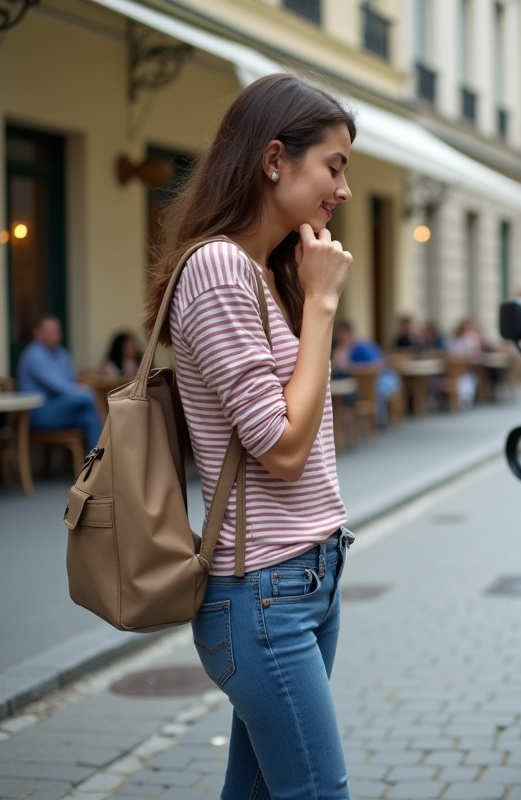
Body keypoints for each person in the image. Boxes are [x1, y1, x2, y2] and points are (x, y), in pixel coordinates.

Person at [143, 73, 355, 797]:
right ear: (273, 159)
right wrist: (322, 306)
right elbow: (284, 451)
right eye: (334, 165)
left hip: (307, 578)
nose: (343, 190)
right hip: (265, 593)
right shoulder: (219, 269)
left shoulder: (264, 275)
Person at [16, 316, 103, 450]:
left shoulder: (61, 353)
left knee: (89, 417)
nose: (54, 334)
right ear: (37, 333)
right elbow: (61, 387)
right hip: (39, 414)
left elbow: (72, 380)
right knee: (88, 396)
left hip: (61, 407)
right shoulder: (34, 354)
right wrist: (83, 390)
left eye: (57, 330)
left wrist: (80, 388)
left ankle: (99, 463)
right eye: (49, 331)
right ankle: (116, 444)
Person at [331, 320, 400, 425]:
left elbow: (377, 366)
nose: (340, 338)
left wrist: (352, 367)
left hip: (382, 378)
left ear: (349, 334)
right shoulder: (341, 350)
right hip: (356, 384)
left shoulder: (362, 347)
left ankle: (377, 421)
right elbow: (336, 369)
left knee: (375, 389)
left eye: (342, 335)